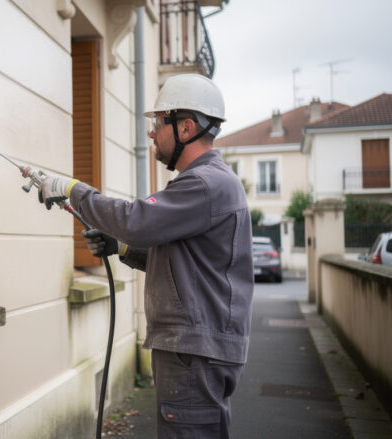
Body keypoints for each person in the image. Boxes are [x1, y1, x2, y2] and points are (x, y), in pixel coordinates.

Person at [39, 74, 253, 439]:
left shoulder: (203, 184)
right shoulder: (208, 183)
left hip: (193, 350)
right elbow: (178, 257)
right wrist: (120, 247)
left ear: (185, 127)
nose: (152, 133)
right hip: (196, 347)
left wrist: (72, 190)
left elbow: (135, 220)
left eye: (158, 123)